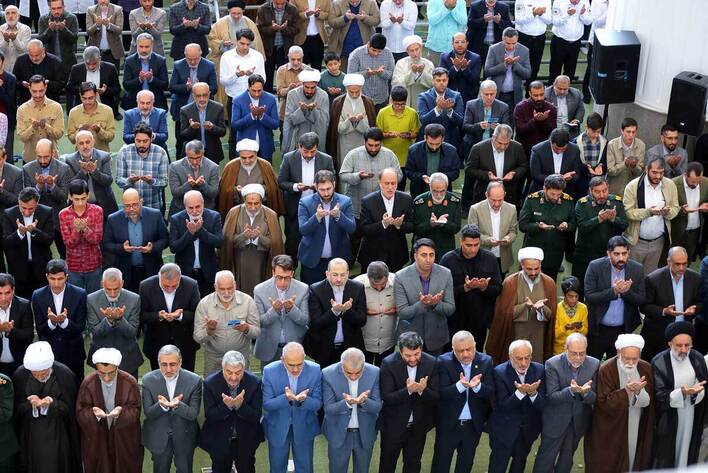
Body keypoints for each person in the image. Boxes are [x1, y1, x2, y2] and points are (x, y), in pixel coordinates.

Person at [584, 333, 655, 473]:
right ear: (618, 353)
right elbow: (603, 403)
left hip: (637, 421)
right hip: (612, 427)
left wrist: (638, 391)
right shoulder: (606, 369)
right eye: (627, 358)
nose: (631, 363)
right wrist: (626, 391)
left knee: (634, 456)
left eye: (635, 359)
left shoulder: (646, 368)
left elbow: (649, 403)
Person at [532, 333, 599, 473]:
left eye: (582, 353)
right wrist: (571, 391)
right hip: (555, 420)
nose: (578, 358)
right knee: (546, 458)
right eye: (574, 353)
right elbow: (552, 397)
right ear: (565, 349)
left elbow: (595, 398)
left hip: (578, 421)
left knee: (567, 459)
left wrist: (585, 393)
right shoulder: (552, 364)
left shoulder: (594, 364)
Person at [13, 341, 81, 473]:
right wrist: (30, 404)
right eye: (35, 374)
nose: (39, 377)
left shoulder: (65, 375)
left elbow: (71, 409)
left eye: (43, 373)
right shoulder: (20, 376)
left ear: (50, 367)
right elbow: (17, 410)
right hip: (30, 435)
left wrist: (52, 403)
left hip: (58, 434)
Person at [431, 330, 494, 473]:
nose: (465, 354)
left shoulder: (486, 361)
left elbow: (491, 392)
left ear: (475, 345)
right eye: (460, 351)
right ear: (453, 349)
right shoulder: (442, 362)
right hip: (448, 424)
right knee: (441, 463)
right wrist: (460, 386)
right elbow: (440, 394)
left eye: (469, 349)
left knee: (465, 464)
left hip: (472, 425)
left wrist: (477, 387)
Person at [378, 331, 439, 473]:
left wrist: (422, 390)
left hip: (418, 427)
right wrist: (409, 391)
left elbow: (436, 396)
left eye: (417, 354)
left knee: (413, 464)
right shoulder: (388, 363)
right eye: (408, 355)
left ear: (421, 349)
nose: (413, 359)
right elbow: (387, 397)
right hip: (393, 426)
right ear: (400, 351)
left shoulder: (432, 362)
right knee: (387, 464)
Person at [76, 347, 143, 473]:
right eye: (101, 373)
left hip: (123, 439)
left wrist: (121, 413)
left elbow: (136, 410)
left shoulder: (130, 382)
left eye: (111, 373)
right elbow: (80, 412)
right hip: (98, 439)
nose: (106, 378)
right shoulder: (88, 383)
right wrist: (94, 414)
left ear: (117, 367)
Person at [651, 321, 707, 468]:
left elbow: (703, 383)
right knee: (666, 451)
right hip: (668, 417)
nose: (683, 349)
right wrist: (681, 392)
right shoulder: (659, 362)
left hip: (692, 413)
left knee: (688, 448)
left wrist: (696, 392)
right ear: (670, 344)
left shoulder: (697, 358)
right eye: (679, 345)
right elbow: (658, 394)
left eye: (687, 345)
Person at [487, 247, 556, 363]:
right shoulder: (510, 283)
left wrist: (542, 309)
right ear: (522, 266)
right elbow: (503, 314)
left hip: (539, 335)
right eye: (529, 269)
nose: (533, 273)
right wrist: (524, 307)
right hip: (515, 334)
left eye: (537, 268)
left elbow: (552, 315)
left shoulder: (549, 283)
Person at [199, 350, 263, 473]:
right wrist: (226, 407)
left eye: (238, 372)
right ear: (222, 368)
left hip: (246, 440)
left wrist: (240, 406)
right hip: (219, 440)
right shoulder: (210, 383)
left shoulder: (255, 383)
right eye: (229, 372)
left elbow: (256, 416)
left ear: (244, 369)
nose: (233, 377)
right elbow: (210, 416)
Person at [141, 344, 203, 473]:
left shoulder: (195, 380)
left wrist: (177, 405)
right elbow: (149, 413)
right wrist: (161, 406)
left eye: (173, 364)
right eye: (164, 365)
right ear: (158, 363)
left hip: (185, 436)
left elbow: (193, 414)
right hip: (159, 436)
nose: (168, 369)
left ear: (180, 362)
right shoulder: (147, 380)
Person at [262, 342, 321, 473]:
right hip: (277, 427)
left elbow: (318, 403)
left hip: (304, 427)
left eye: (300, 364)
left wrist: (304, 400)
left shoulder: (315, 370)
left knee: (305, 468)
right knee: (277, 468)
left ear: (304, 358)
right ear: (282, 360)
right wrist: (285, 398)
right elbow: (267, 404)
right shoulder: (269, 371)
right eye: (291, 365)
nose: (295, 369)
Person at [488, 339, 546, 473]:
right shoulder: (499, 372)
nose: (524, 363)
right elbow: (503, 405)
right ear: (510, 356)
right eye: (519, 358)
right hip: (503, 430)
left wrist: (533, 393)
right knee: (498, 464)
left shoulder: (540, 370)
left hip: (528, 430)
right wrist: (520, 392)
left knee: (519, 463)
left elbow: (543, 405)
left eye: (527, 358)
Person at [584, 235, 645, 360]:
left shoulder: (637, 269)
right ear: (608, 253)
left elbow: (641, 299)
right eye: (616, 254)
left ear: (629, 252)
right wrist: (614, 291)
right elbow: (589, 295)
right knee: (593, 364)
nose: (621, 258)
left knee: (618, 366)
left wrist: (626, 292)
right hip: (598, 329)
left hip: (623, 330)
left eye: (624, 253)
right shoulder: (595, 266)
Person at [440, 223, 501, 347]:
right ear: (461, 241)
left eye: (476, 245)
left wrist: (485, 288)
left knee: (476, 351)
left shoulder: (490, 259)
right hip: (454, 319)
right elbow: (441, 292)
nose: (473, 249)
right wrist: (464, 288)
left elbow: (498, 288)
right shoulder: (448, 260)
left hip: (479, 320)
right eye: (468, 245)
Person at [322, 347, 382, 473]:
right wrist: (346, 403)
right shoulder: (327, 374)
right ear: (341, 365)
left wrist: (364, 401)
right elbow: (328, 408)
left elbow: (377, 406)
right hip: (338, 433)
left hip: (365, 433)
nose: (353, 377)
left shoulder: (375, 372)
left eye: (358, 373)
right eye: (348, 372)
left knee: (362, 470)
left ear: (364, 366)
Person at [278, 133, 335, 263]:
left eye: (312, 151)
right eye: (305, 151)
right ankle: (291, 267)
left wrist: (320, 187)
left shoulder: (326, 159)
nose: (309, 155)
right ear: (299, 146)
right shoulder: (288, 158)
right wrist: (296, 187)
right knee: (292, 241)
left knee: (317, 239)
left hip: (318, 207)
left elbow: (333, 181)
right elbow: (281, 181)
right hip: (294, 208)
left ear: (317, 147)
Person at [394, 238, 455, 355]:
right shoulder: (400, 276)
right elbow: (402, 312)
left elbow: (450, 308)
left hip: (436, 336)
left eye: (431, 255)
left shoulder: (445, 273)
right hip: (410, 338)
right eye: (424, 255)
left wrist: (435, 304)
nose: (428, 259)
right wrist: (422, 304)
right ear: (415, 256)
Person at [641, 246, 703, 362]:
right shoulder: (653, 279)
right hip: (658, 334)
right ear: (668, 262)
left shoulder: (695, 278)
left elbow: (700, 301)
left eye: (684, 264)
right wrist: (664, 311)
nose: (681, 268)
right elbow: (644, 306)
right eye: (677, 264)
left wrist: (694, 309)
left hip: (683, 332)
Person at [221, 183, 284, 296]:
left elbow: (275, 243)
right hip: (239, 261)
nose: (253, 207)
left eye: (256, 203)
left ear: (262, 201)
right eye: (249, 203)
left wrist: (258, 238)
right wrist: (243, 236)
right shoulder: (234, 212)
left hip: (262, 263)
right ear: (244, 201)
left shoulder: (271, 215)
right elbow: (226, 240)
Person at [193, 270, 260, 375]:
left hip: (240, 358)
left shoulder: (248, 301)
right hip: (214, 360)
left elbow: (257, 332)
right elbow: (197, 337)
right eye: (222, 289)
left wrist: (246, 328)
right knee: (212, 385)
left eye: (230, 288)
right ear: (215, 287)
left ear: (235, 285)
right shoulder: (204, 304)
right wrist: (209, 330)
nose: (226, 293)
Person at [31, 258, 87, 383]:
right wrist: (51, 322)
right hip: (49, 353)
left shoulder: (80, 294)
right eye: (52, 279)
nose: (56, 283)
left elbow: (81, 326)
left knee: (76, 386)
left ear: (66, 277)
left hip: (73, 352)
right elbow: (39, 329)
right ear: (47, 276)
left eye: (60, 279)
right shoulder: (38, 295)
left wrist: (64, 322)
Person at [103, 188, 169, 293]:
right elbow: (107, 244)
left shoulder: (155, 215)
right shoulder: (113, 219)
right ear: (123, 204)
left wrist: (152, 247)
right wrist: (122, 248)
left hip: (150, 270)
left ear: (141, 202)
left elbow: (165, 239)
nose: (131, 209)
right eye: (127, 206)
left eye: (135, 205)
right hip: (126, 272)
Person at [297, 170, 356, 284]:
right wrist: (317, 217)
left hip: (337, 261)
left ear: (334, 184)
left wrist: (339, 216)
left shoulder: (345, 201)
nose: (326, 193)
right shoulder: (305, 202)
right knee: (311, 292)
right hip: (312, 261)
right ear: (315, 187)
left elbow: (352, 228)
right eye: (322, 190)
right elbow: (303, 230)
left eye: (329, 189)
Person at [140, 264, 201, 372]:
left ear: (180, 278)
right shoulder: (146, 286)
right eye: (166, 286)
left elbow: (197, 313)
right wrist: (158, 316)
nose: (170, 289)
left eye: (174, 286)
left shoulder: (191, 285)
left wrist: (180, 315)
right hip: (156, 344)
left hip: (185, 344)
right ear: (159, 277)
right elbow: (141, 315)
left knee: (187, 378)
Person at [623, 157, 680, 273]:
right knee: (632, 275)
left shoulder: (670, 185)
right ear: (646, 169)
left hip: (658, 243)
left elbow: (675, 207)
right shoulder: (632, 186)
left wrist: (668, 212)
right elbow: (628, 212)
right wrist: (648, 212)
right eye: (654, 172)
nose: (658, 176)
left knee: (651, 277)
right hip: (636, 243)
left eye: (661, 173)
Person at [306, 258, 366, 366]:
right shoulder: (316, 290)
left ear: (348, 274)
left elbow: (362, 321)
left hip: (350, 348)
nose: (339, 279)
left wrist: (347, 311)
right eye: (335, 275)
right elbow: (315, 324)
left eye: (342, 275)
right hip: (325, 349)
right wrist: (334, 312)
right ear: (327, 274)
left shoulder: (358, 288)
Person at [572, 176, 628, 295]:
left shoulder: (616, 202)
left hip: (607, 255)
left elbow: (624, 225)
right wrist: (598, 219)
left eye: (604, 190)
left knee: (604, 287)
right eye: (597, 192)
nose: (602, 195)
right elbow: (582, 227)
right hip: (585, 254)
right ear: (591, 191)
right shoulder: (582, 204)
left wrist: (614, 219)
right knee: (579, 287)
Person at [86, 268, 143, 379]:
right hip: (101, 358)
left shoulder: (134, 299)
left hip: (128, 358)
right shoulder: (91, 299)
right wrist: (108, 320)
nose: (112, 293)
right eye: (108, 289)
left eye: (116, 289)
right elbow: (95, 332)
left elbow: (132, 332)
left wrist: (120, 319)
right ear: (102, 284)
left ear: (122, 283)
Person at [518, 174, 576, 282]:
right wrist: (538, 226)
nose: (556, 197)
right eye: (552, 194)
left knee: (550, 282)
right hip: (533, 249)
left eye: (559, 194)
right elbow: (522, 225)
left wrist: (566, 225)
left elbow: (573, 224)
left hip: (555, 251)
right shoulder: (532, 200)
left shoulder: (568, 201)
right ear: (544, 188)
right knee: (527, 282)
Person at [253, 255, 309, 364]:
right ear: (273, 272)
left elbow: (305, 321)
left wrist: (291, 309)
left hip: (294, 347)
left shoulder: (303, 289)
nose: (283, 282)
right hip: (268, 348)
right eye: (279, 277)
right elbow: (259, 322)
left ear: (292, 274)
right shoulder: (259, 290)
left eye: (287, 278)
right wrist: (274, 311)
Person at [219, 29, 266, 156]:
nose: (245, 47)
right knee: (234, 134)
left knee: (256, 131)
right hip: (234, 100)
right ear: (236, 41)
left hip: (254, 99)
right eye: (242, 43)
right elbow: (223, 81)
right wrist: (236, 75)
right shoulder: (226, 56)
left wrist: (252, 77)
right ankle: (234, 164)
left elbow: (263, 79)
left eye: (248, 44)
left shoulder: (257, 56)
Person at [1, 187, 55, 299]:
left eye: (31, 209)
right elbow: (6, 243)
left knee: (41, 303)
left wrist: (34, 231)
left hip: (41, 270)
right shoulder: (9, 214)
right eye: (23, 208)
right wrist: (19, 233)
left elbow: (49, 240)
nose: (26, 212)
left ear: (37, 204)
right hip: (18, 271)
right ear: (19, 202)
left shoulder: (46, 212)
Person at [169, 189, 223, 296]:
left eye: (198, 207)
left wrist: (201, 231)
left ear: (203, 204)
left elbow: (219, 243)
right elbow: (173, 247)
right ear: (185, 206)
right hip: (185, 273)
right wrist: (190, 233)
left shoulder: (214, 216)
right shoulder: (176, 219)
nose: (194, 211)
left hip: (208, 272)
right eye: (190, 208)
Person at [357, 167, 412, 272]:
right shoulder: (368, 201)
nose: (390, 187)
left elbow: (412, 225)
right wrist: (383, 224)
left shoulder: (406, 199)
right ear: (380, 183)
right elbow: (364, 229)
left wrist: (400, 225)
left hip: (396, 255)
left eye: (393, 183)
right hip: (372, 255)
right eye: (387, 183)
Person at [169, 44, 217, 158]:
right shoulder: (178, 65)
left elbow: (214, 88)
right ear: (185, 55)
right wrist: (186, 87)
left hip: (203, 110)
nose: (192, 62)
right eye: (189, 59)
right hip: (183, 110)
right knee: (180, 140)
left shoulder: (209, 66)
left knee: (206, 141)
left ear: (201, 54)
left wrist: (201, 88)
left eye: (195, 59)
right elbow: (172, 87)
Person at [217, 138, 284, 219]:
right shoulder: (230, 167)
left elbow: (272, 189)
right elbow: (224, 191)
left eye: (251, 157)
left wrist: (260, 189)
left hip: (262, 210)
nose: (247, 161)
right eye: (243, 158)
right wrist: (235, 190)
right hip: (238, 211)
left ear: (256, 154)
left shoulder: (266, 166)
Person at [58, 179, 103, 293]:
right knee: (76, 299)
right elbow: (68, 243)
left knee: (94, 298)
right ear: (70, 197)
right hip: (73, 266)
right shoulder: (64, 214)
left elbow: (97, 239)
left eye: (83, 198)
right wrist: (77, 231)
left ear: (88, 195)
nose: (80, 203)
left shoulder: (97, 211)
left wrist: (85, 229)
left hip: (94, 264)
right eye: (76, 199)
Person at [466, 123, 527, 207]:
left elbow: (523, 166)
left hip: (509, 195)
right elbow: (469, 169)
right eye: (500, 143)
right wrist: (486, 175)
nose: (503, 147)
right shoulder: (478, 148)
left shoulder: (517, 147)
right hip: (484, 194)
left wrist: (514, 173)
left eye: (506, 144)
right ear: (493, 137)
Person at [467, 181, 519, 277]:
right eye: (493, 200)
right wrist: (488, 240)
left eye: (500, 200)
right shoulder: (475, 209)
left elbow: (513, 231)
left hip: (502, 258)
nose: (497, 204)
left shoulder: (512, 209)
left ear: (505, 195)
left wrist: (508, 238)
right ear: (486, 195)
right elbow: (471, 235)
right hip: (481, 257)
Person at [326, 73, 377, 169]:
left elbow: (369, 129)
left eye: (357, 92)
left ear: (361, 89)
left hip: (362, 142)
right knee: (345, 167)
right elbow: (338, 128)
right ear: (346, 89)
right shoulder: (338, 102)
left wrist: (360, 121)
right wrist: (349, 121)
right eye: (351, 92)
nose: (354, 94)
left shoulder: (368, 102)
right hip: (344, 143)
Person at [64, 133, 118, 223]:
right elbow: (70, 185)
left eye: (88, 142)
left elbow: (108, 181)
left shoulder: (104, 156)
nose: (85, 146)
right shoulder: (70, 160)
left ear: (93, 142)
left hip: (103, 205)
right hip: (80, 206)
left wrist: (94, 171)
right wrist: (83, 172)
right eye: (81, 143)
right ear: (76, 145)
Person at [115, 122, 169, 211]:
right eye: (138, 141)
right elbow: (118, 180)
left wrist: (152, 181)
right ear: (134, 139)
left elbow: (164, 182)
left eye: (145, 141)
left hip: (153, 205)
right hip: (131, 207)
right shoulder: (124, 152)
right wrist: (129, 180)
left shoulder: (161, 153)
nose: (141, 145)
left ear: (151, 139)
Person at [353, 261, 397, 366]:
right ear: (368, 278)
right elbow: (349, 311)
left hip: (388, 341)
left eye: (383, 284)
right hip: (364, 341)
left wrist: (398, 309)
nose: (379, 288)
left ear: (387, 277)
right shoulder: (356, 284)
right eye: (374, 285)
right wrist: (362, 311)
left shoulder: (398, 281)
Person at [412, 172, 462, 260]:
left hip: (445, 249)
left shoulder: (454, 201)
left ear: (447, 187)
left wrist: (445, 223)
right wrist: (430, 224)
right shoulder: (419, 202)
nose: (439, 195)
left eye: (442, 191)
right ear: (430, 186)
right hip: (424, 250)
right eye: (435, 191)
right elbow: (415, 228)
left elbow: (457, 227)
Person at [230, 74, 279, 162]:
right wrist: (251, 116)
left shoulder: (271, 99)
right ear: (248, 87)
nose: (257, 94)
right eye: (254, 90)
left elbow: (275, 124)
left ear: (263, 87)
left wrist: (262, 116)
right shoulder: (237, 100)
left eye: (259, 91)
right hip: (246, 150)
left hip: (265, 147)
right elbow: (235, 125)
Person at [16, 74, 64, 162]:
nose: (38, 95)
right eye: (34, 91)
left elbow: (59, 134)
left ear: (45, 87)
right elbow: (22, 137)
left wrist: (46, 126)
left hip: (52, 159)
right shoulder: (22, 109)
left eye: (41, 91)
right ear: (29, 88)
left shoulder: (56, 107)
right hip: (30, 159)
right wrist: (32, 128)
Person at [405, 124, 460, 200]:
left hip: (443, 192)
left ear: (443, 139)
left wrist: (442, 178)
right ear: (425, 138)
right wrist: (421, 177)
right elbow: (408, 171)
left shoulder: (451, 151)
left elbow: (456, 172)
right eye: (431, 144)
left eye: (437, 144)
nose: (434, 147)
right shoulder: (414, 150)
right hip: (419, 191)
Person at [281, 68, 330, 154]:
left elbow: (324, 123)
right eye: (307, 87)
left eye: (312, 88)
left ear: (317, 84)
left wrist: (313, 110)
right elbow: (289, 120)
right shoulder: (292, 94)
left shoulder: (323, 96)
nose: (309, 91)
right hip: (296, 138)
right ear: (302, 84)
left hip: (316, 137)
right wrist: (301, 110)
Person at [417, 67, 465, 152]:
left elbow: (460, 121)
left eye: (444, 80)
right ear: (433, 81)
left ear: (448, 80)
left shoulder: (456, 96)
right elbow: (423, 120)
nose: (442, 83)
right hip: (430, 141)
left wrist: (449, 110)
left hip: (451, 140)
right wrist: (438, 108)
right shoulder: (423, 97)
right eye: (438, 80)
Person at [168, 140, 220, 218]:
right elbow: (175, 192)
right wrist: (188, 185)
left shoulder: (213, 167)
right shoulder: (175, 167)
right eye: (191, 158)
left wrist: (203, 185)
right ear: (186, 153)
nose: (195, 162)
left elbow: (214, 193)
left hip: (205, 211)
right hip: (181, 211)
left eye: (198, 158)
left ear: (203, 153)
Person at [256, 0, 299, 92]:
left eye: (282, 4)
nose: (279, 6)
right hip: (268, 50)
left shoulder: (293, 9)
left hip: (285, 50)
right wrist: (272, 29)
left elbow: (296, 29)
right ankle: (268, 99)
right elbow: (259, 29)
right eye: (277, 4)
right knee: (267, 78)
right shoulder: (263, 9)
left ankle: (284, 99)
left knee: (285, 79)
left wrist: (285, 29)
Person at [485, 27, 531, 112]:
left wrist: (515, 64)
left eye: (514, 43)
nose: (511, 46)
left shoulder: (524, 50)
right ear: (503, 39)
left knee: (512, 118)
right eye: (508, 43)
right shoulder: (493, 49)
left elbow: (527, 74)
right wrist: (504, 65)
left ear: (517, 39)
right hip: (497, 94)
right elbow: (487, 71)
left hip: (514, 95)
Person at [528, 127, 583, 199]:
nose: (559, 152)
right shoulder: (538, 150)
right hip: (542, 191)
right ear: (551, 141)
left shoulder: (574, 149)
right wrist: (558, 179)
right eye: (556, 149)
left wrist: (570, 178)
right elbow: (536, 175)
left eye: (563, 149)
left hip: (566, 192)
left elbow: (577, 174)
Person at [375, 85, 420, 173]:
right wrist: (388, 135)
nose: (399, 107)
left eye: (402, 104)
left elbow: (416, 133)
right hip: (386, 155)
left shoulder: (412, 113)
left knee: (402, 179)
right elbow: (377, 134)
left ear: (406, 101)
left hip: (405, 156)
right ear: (391, 100)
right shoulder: (383, 113)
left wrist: (408, 135)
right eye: (396, 104)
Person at [179, 82, 227, 163]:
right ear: (193, 96)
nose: (202, 99)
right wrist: (191, 128)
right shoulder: (185, 110)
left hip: (212, 152)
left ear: (209, 94)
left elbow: (223, 132)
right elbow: (183, 136)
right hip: (193, 154)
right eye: (198, 96)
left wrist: (212, 127)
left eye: (205, 95)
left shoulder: (218, 108)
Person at [461, 79, 510, 156]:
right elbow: (465, 126)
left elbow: (507, 128)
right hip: (474, 143)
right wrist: (479, 126)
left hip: (494, 145)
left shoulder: (503, 107)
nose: (489, 97)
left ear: (496, 93)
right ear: (481, 93)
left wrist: (499, 128)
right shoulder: (471, 105)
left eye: (492, 94)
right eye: (486, 94)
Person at [547, 0, 592, 85]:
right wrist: (567, 14)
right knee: (554, 72)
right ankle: (551, 92)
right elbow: (555, 22)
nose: (576, 2)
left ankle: (566, 92)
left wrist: (583, 14)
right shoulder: (559, 1)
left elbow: (588, 22)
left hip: (576, 43)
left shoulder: (585, 1)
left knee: (570, 73)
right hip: (559, 41)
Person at [347, 33, 395, 112]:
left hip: (381, 98)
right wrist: (366, 73)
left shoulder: (388, 53)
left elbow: (392, 74)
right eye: (374, 50)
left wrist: (382, 73)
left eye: (379, 52)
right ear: (368, 44)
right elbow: (350, 76)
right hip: (362, 97)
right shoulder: (356, 54)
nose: (376, 53)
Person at [121, 32, 169, 111]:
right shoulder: (129, 61)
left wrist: (152, 79)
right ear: (137, 45)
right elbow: (126, 85)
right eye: (141, 46)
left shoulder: (160, 61)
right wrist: (139, 79)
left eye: (147, 47)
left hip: (156, 104)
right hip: (134, 104)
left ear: (152, 46)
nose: (144, 50)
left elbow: (165, 85)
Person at [327, 0, 381, 70]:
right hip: (343, 51)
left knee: (363, 74)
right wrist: (345, 18)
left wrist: (365, 18)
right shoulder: (337, 3)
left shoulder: (371, 2)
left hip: (365, 51)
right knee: (344, 75)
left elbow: (377, 20)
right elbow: (331, 22)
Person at [672, 162, 708, 263]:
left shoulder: (706, 182)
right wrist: (681, 210)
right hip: (677, 231)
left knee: (688, 260)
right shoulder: (673, 183)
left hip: (696, 231)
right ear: (685, 175)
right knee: (674, 260)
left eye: (698, 181)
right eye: (692, 181)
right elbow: (667, 206)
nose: (695, 184)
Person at [0, 273, 33, 378]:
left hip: (18, 364)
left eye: (7, 293)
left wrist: (10, 330)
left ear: (13, 290)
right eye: (0, 293)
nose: (3, 298)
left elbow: (29, 336)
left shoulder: (24, 305)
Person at [513, 80, 557, 159]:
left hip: (543, 149)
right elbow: (520, 129)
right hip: (524, 149)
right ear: (530, 94)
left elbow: (552, 130)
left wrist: (543, 120)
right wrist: (534, 120)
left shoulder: (550, 108)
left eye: (541, 94)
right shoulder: (520, 107)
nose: (539, 98)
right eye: (536, 95)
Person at [67, 82, 116, 153]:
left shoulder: (107, 110)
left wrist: (99, 131)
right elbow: (71, 139)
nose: (87, 102)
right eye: (84, 98)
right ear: (80, 96)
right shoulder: (73, 112)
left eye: (90, 98)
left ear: (96, 94)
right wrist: (79, 131)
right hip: (81, 155)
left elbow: (111, 137)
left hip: (102, 155)